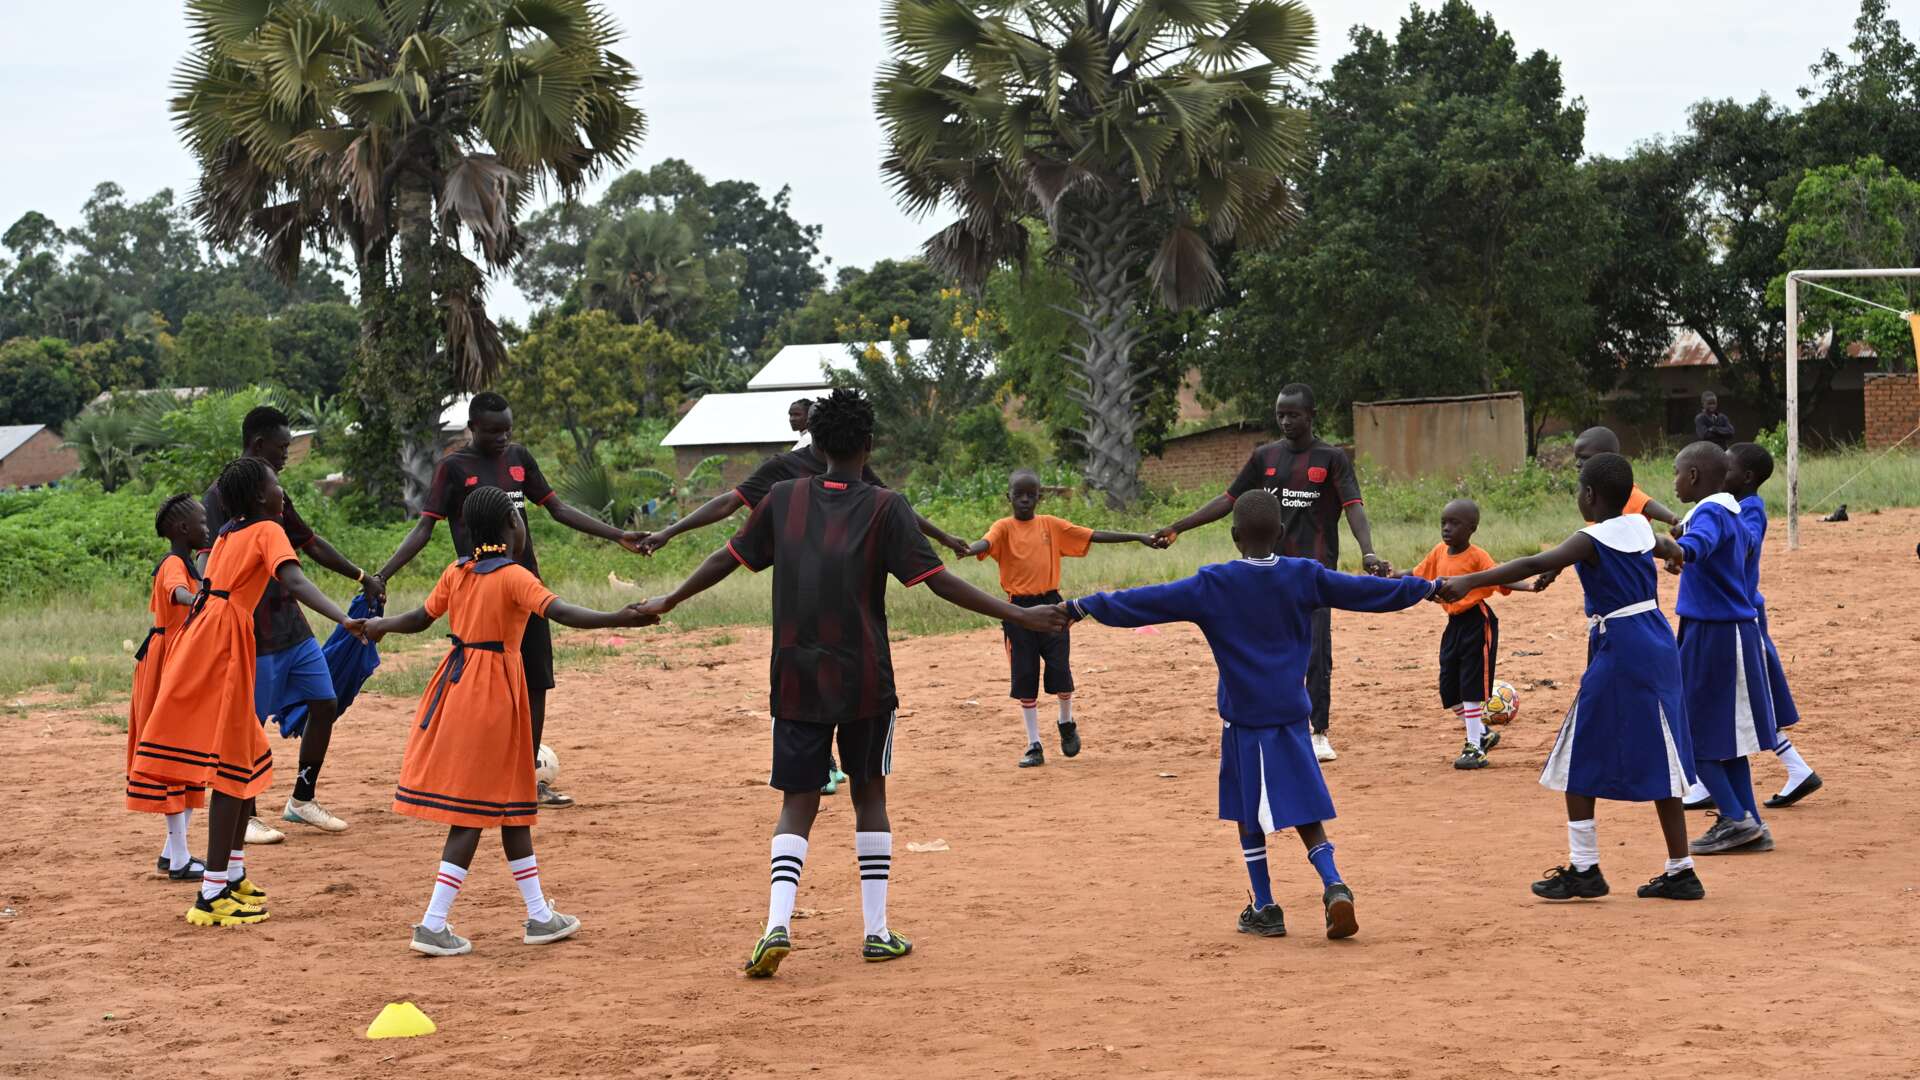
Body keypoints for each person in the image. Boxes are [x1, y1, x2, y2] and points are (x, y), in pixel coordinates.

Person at [638, 388, 1069, 978]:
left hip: (794, 672)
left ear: (812, 442)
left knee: (798, 801)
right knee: (869, 793)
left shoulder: (784, 498)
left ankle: (776, 924)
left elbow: (727, 556)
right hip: (865, 675)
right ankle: (875, 932)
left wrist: (670, 597)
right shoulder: (885, 506)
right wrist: (1018, 613)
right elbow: (938, 581)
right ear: (868, 446)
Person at [1066, 490, 1437, 940]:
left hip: (1245, 721)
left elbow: (1145, 601)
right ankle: (1333, 883)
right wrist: (1428, 587)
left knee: (1247, 812)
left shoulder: (1212, 584)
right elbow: (1370, 593)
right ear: (1281, 534)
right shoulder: (1305, 575)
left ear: (1234, 535)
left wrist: (1080, 607)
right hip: (1292, 716)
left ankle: (1265, 906)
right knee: (1304, 807)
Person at [361, 487, 657, 957]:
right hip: (493, 697)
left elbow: (420, 618)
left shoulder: (458, 572)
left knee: (513, 802)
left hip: (458, 687)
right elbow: (562, 612)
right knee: (473, 814)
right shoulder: (514, 577)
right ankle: (432, 922)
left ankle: (539, 916)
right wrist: (618, 618)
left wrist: (381, 625)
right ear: (509, 528)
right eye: (519, 521)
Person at [1434, 453, 1704, 902]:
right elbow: (1665, 546)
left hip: (1622, 646)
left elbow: (1530, 563)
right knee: (1665, 751)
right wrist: (1675, 554)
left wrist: (1470, 581)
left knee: (1577, 749)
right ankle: (1681, 869)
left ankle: (1585, 868)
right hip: (1655, 639)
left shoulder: (1591, 538)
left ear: (1590, 496)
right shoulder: (1638, 526)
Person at [374, 391, 647, 809]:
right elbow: (423, 531)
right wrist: (382, 575)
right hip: (480, 590)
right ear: (473, 428)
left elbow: (557, 509)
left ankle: (527, 778)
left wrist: (617, 535)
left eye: (507, 429)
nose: (503, 437)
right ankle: (476, 776)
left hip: (523, 585)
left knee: (536, 680)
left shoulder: (519, 458)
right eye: (493, 430)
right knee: (480, 686)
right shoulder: (453, 468)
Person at [135, 458, 365, 926]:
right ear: (262, 496)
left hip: (215, 637)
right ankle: (211, 893)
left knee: (244, 759)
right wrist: (344, 619)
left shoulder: (226, 533)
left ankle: (232, 875)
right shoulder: (267, 529)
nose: (282, 491)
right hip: (223, 644)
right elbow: (294, 580)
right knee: (231, 767)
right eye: (277, 484)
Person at [1152, 384, 1387, 763]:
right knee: (1268, 648)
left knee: (1315, 652)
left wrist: (1369, 552)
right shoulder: (1265, 457)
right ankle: (1272, 723)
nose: (1285, 421)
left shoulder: (1332, 459)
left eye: (1293, 414)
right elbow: (1227, 501)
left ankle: (1318, 731)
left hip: (1312, 574)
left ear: (1311, 415)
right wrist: (1179, 526)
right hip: (1267, 572)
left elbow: (1354, 507)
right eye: (1280, 414)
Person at [200, 406, 384, 842]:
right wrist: (344, 617)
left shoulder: (270, 498)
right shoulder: (229, 495)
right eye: (282, 447)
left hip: (291, 627)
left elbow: (308, 545)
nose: (287, 455)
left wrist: (360, 577)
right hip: (253, 634)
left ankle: (301, 799)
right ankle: (243, 813)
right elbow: (216, 563)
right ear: (260, 445)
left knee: (324, 701)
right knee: (248, 725)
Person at [967, 468, 1155, 767]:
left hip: (1053, 607)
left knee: (1059, 671)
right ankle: (1033, 744)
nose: (1025, 500)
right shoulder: (1003, 527)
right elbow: (985, 543)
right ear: (1009, 497)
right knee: (1025, 676)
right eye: (1019, 495)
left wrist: (1138, 536)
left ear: (1040, 497)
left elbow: (1092, 535)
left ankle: (1065, 723)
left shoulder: (1051, 526)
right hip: (1018, 610)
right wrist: (967, 548)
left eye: (1031, 495)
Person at [1667, 442, 1776, 855]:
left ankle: (1733, 817)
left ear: (1693, 476)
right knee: (1727, 741)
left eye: (1677, 472)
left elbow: (1701, 543)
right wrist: (1684, 547)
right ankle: (1751, 823)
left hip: (1715, 633)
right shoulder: (1730, 511)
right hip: (1722, 630)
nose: (1674, 481)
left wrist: (1675, 549)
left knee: (1691, 732)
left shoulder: (1712, 512)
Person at [1402, 499, 1537, 771]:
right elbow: (1416, 575)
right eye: (1443, 522)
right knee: (1449, 690)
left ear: (1472, 528)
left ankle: (1474, 746)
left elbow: (1502, 576)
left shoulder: (1477, 556)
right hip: (1454, 624)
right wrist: (1389, 576)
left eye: (1455, 523)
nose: (1447, 528)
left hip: (1478, 621)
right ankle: (1484, 733)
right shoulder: (1439, 552)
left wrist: (1531, 586)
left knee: (1470, 685)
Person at [1724, 443, 1822, 808]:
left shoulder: (1750, 510)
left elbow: (1746, 544)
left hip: (1741, 616)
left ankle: (1796, 767)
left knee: (1747, 697)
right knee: (1739, 698)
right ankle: (1795, 767)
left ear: (1747, 477)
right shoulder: (1737, 507)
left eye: (1728, 468)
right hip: (1737, 614)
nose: (1722, 472)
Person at [126, 494, 211, 882]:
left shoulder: (188, 563)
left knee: (187, 756)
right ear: (181, 529)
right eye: (201, 522)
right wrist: (200, 602)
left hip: (177, 661)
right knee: (174, 756)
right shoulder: (174, 565)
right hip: (166, 665)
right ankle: (179, 860)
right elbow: (177, 593)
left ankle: (171, 853)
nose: (206, 527)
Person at [1534, 427, 1679, 591]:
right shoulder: (1594, 493)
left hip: (1627, 568)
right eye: (1577, 457)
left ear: (1611, 458)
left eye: (1585, 457)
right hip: (1610, 568)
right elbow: (1587, 539)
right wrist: (1556, 567)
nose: (1577, 463)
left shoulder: (1618, 489)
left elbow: (1649, 505)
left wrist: (1674, 520)